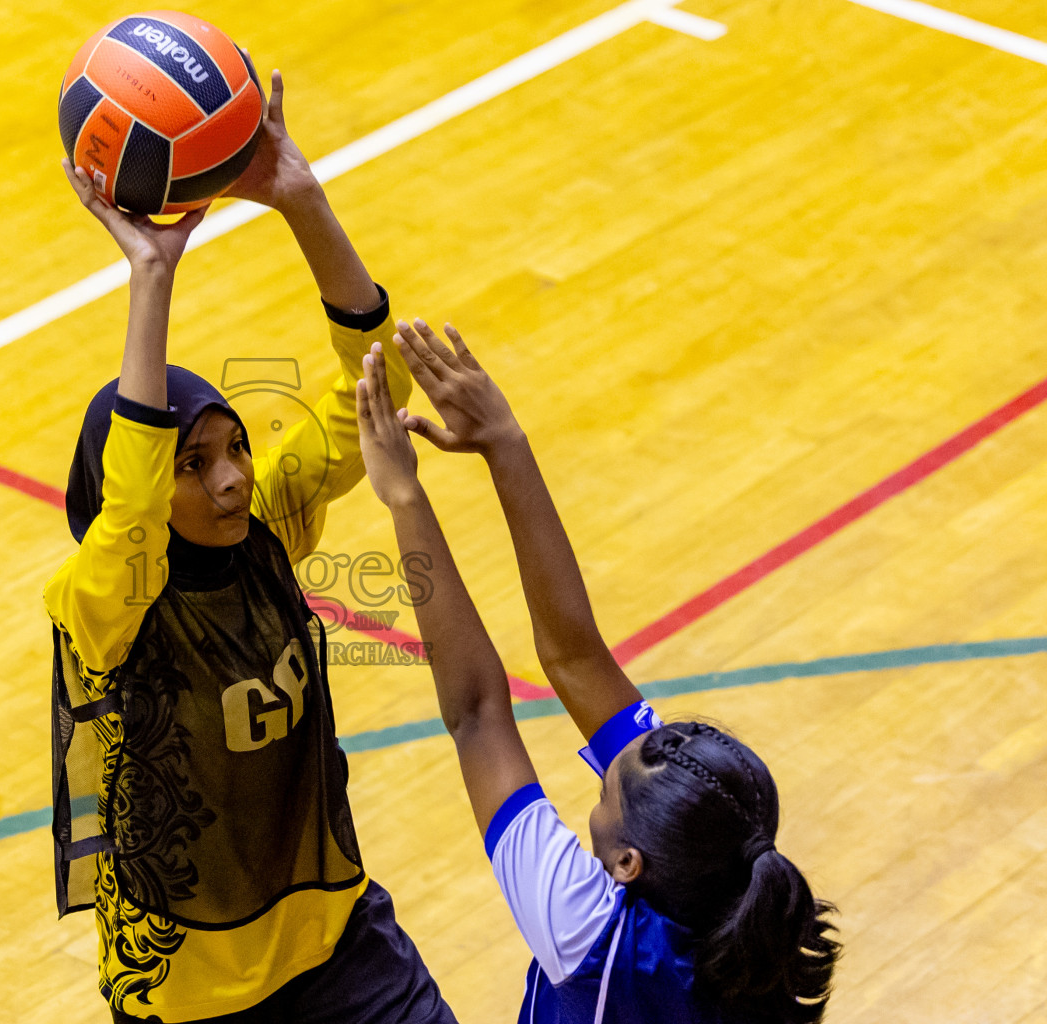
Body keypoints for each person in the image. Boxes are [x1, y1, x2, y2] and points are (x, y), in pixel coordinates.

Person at [45, 69, 457, 1024]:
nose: (232, 477)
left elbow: (377, 387)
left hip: (341, 941)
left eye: (235, 447)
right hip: (191, 994)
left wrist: (300, 199)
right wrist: (152, 272)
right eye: (197, 464)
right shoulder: (99, 603)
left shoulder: (263, 522)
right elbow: (136, 506)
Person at [351, 320, 840, 1023]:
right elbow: (576, 657)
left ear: (626, 864)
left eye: (610, 783)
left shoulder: (593, 939)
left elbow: (478, 714)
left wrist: (405, 499)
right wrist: (503, 442)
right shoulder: (726, 875)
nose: (623, 743)